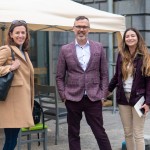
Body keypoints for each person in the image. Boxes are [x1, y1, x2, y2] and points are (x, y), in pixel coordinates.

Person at [56, 16, 112, 150]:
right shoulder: (65, 49)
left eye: (84, 27)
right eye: (79, 26)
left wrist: (103, 95)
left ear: (89, 29)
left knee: (100, 133)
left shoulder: (98, 47)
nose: (81, 29)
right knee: (73, 133)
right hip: (72, 98)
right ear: (73, 29)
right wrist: (64, 96)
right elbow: (59, 76)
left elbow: (104, 74)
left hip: (94, 98)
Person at [108, 27, 150, 150]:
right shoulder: (121, 56)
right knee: (128, 133)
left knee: (138, 133)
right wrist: (107, 92)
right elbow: (116, 77)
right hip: (123, 99)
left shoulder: (145, 57)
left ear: (138, 38)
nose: (130, 38)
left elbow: (149, 81)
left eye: (132, 36)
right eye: (127, 36)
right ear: (124, 39)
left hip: (139, 100)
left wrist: (148, 102)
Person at [0, 20, 34, 150]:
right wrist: (10, 67)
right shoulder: (7, 50)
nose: (20, 35)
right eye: (17, 32)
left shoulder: (24, 53)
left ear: (26, 35)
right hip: (11, 105)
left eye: (23, 32)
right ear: (11, 34)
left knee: (12, 140)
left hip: (21, 103)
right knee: (11, 141)